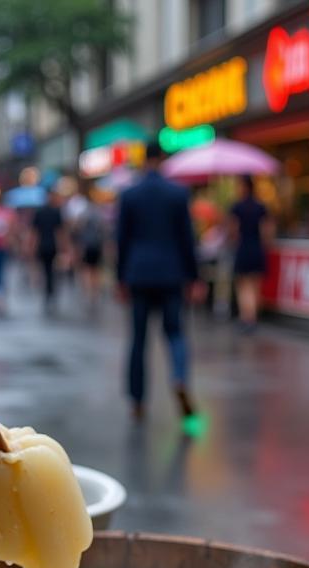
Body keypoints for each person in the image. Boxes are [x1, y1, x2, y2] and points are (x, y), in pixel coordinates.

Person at [116, 141, 199, 420]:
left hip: (138, 273)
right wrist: (194, 276)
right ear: (162, 158)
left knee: (138, 339)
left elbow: (121, 241)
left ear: (143, 159)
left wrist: (120, 278)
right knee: (174, 332)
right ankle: (179, 377)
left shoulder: (129, 194)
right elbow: (188, 239)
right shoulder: (177, 193)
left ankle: (137, 400)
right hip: (171, 273)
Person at [229, 175, 272, 332]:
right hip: (257, 249)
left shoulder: (237, 207)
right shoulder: (261, 207)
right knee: (255, 285)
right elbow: (266, 231)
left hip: (244, 248)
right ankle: (253, 316)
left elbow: (233, 230)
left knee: (244, 285)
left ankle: (247, 317)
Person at [32, 191, 64, 312]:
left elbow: (35, 232)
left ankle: (48, 292)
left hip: (44, 246)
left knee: (46, 270)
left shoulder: (40, 212)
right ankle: (50, 292)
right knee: (51, 271)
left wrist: (32, 246)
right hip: (51, 246)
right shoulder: (56, 212)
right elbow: (60, 232)